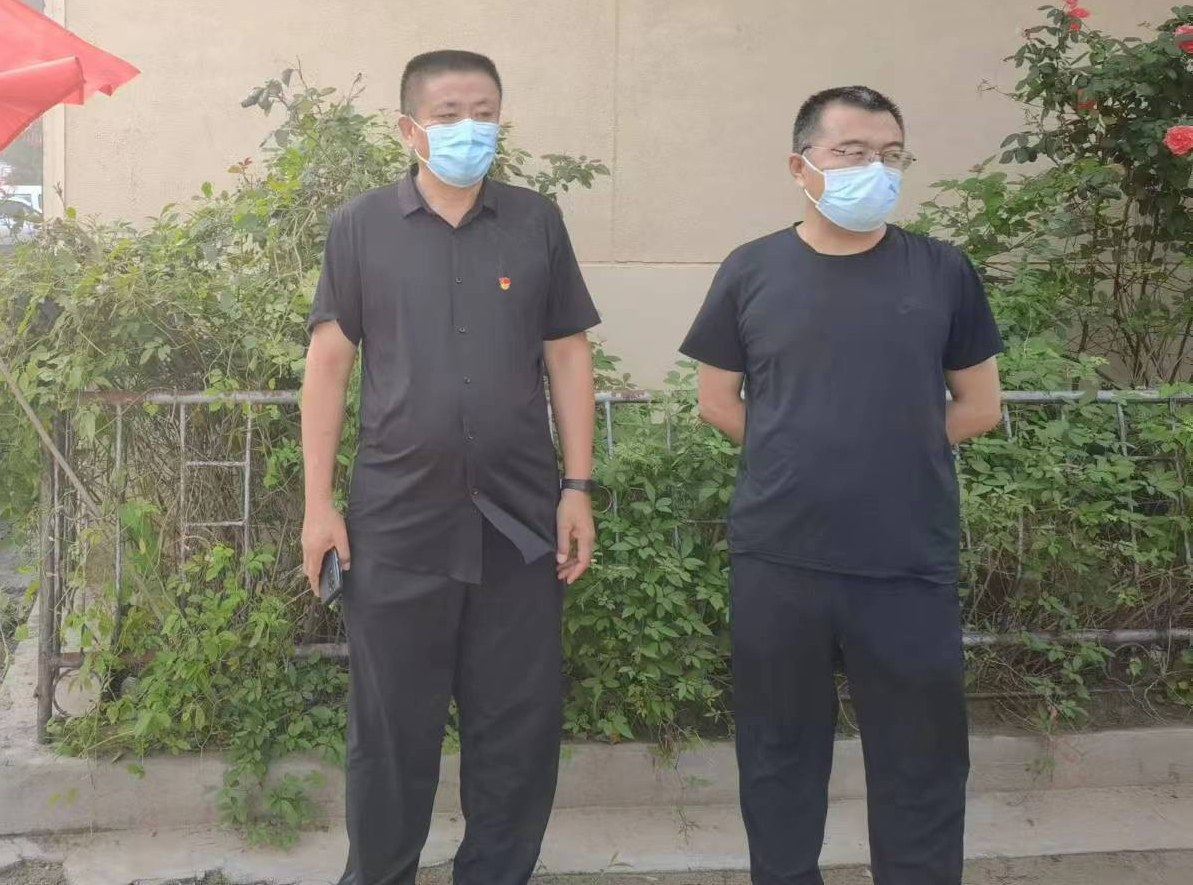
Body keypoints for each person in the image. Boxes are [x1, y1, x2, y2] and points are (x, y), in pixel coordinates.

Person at [681, 85, 1004, 885]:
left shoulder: (941, 270)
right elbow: (717, 401)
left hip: (906, 558)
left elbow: (980, 406)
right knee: (778, 755)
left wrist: (889, 449)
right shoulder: (751, 269)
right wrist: (797, 454)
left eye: (891, 155)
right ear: (802, 166)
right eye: (853, 152)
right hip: (780, 557)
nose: (875, 169)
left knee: (922, 759)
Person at [300, 49, 601, 885]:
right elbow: (329, 365)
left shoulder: (536, 222)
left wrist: (577, 487)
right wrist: (319, 506)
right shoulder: (361, 226)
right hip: (397, 524)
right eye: (449, 114)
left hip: (519, 523)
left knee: (517, 733)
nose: (470, 128)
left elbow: (568, 354)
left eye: (484, 112)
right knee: (391, 734)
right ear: (410, 128)